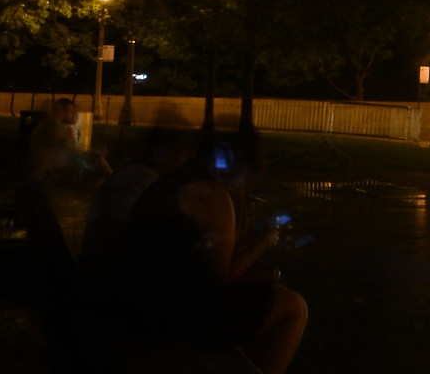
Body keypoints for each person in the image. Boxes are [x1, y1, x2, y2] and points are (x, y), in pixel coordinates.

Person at [119, 132, 307, 374]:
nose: (243, 183)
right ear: (240, 165)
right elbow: (221, 277)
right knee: (293, 306)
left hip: (142, 294)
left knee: (269, 284)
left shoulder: (179, 178)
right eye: (247, 174)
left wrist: (251, 246)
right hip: (166, 314)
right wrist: (264, 241)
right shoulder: (211, 195)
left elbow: (201, 254)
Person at [83, 126, 191, 288]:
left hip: (99, 258)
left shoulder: (133, 171)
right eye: (178, 155)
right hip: (111, 268)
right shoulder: (145, 177)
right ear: (163, 152)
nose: (182, 162)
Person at [28, 97, 111, 185]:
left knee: (97, 168)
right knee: (97, 173)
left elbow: (74, 154)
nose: (75, 114)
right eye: (71, 111)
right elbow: (74, 152)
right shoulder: (54, 128)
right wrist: (93, 152)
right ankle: (112, 178)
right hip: (47, 175)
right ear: (62, 112)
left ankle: (111, 177)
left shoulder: (56, 127)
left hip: (54, 171)